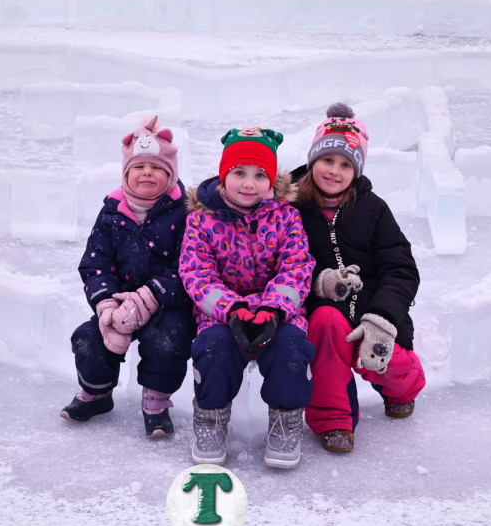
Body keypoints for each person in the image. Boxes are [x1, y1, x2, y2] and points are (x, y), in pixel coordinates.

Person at [292, 102, 426, 454]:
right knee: (324, 325)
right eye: (327, 160)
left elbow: (401, 268)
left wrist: (382, 317)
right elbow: (279, 263)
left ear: (357, 170)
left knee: (384, 358)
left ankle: (403, 386)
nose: (334, 171)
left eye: (345, 164)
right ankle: (333, 419)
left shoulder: (373, 208)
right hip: (323, 308)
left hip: (372, 309)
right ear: (312, 160)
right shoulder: (291, 205)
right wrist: (319, 283)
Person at [179, 126, 315, 469]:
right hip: (223, 315)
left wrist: (273, 309)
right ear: (224, 175)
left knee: (291, 348)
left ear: (272, 182)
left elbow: (296, 267)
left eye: (259, 175)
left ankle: (286, 420)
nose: (249, 183)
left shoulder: (287, 217)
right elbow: (196, 273)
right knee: (213, 349)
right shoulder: (201, 220)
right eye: (239, 173)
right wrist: (233, 309)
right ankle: (210, 418)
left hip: (278, 314)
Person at [60, 116, 195, 439]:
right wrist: (106, 303)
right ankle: (97, 393)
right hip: (119, 302)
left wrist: (150, 296)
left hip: (166, 304)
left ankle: (156, 402)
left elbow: (188, 266)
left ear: (171, 175)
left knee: (167, 339)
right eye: (139, 168)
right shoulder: (111, 212)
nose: (147, 173)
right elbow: (95, 264)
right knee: (89, 338)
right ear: (126, 174)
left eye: (157, 169)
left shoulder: (185, 212)